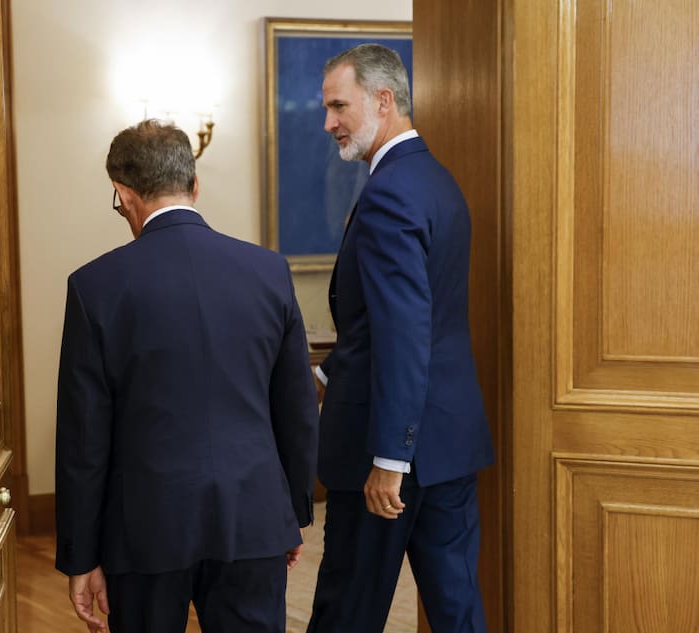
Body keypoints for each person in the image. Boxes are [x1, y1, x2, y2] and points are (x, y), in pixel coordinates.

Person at [56, 119, 319, 633]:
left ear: (123, 194)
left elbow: (84, 440)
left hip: (145, 530)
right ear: (195, 186)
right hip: (253, 518)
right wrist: (288, 515)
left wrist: (81, 556)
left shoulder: (94, 287)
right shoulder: (269, 271)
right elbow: (297, 409)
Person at [307, 44, 495, 633]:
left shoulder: (388, 192)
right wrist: (321, 375)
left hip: (387, 455)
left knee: (345, 616)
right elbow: (398, 325)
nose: (329, 122)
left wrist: (391, 459)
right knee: (458, 612)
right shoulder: (437, 180)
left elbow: (406, 331)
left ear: (383, 101)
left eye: (339, 106)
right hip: (448, 444)